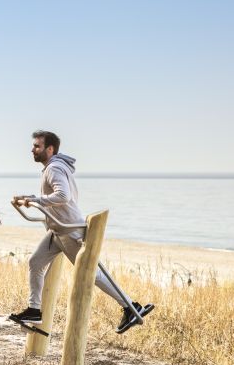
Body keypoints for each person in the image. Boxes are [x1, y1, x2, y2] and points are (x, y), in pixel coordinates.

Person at [10, 130, 153, 334]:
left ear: (49, 149)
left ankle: (131, 307)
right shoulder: (52, 168)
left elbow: (63, 196)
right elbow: (54, 196)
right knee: (35, 262)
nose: (32, 150)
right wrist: (29, 198)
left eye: (37, 146)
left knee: (92, 273)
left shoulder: (54, 168)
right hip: (57, 231)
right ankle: (34, 310)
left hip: (70, 231)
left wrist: (36, 200)